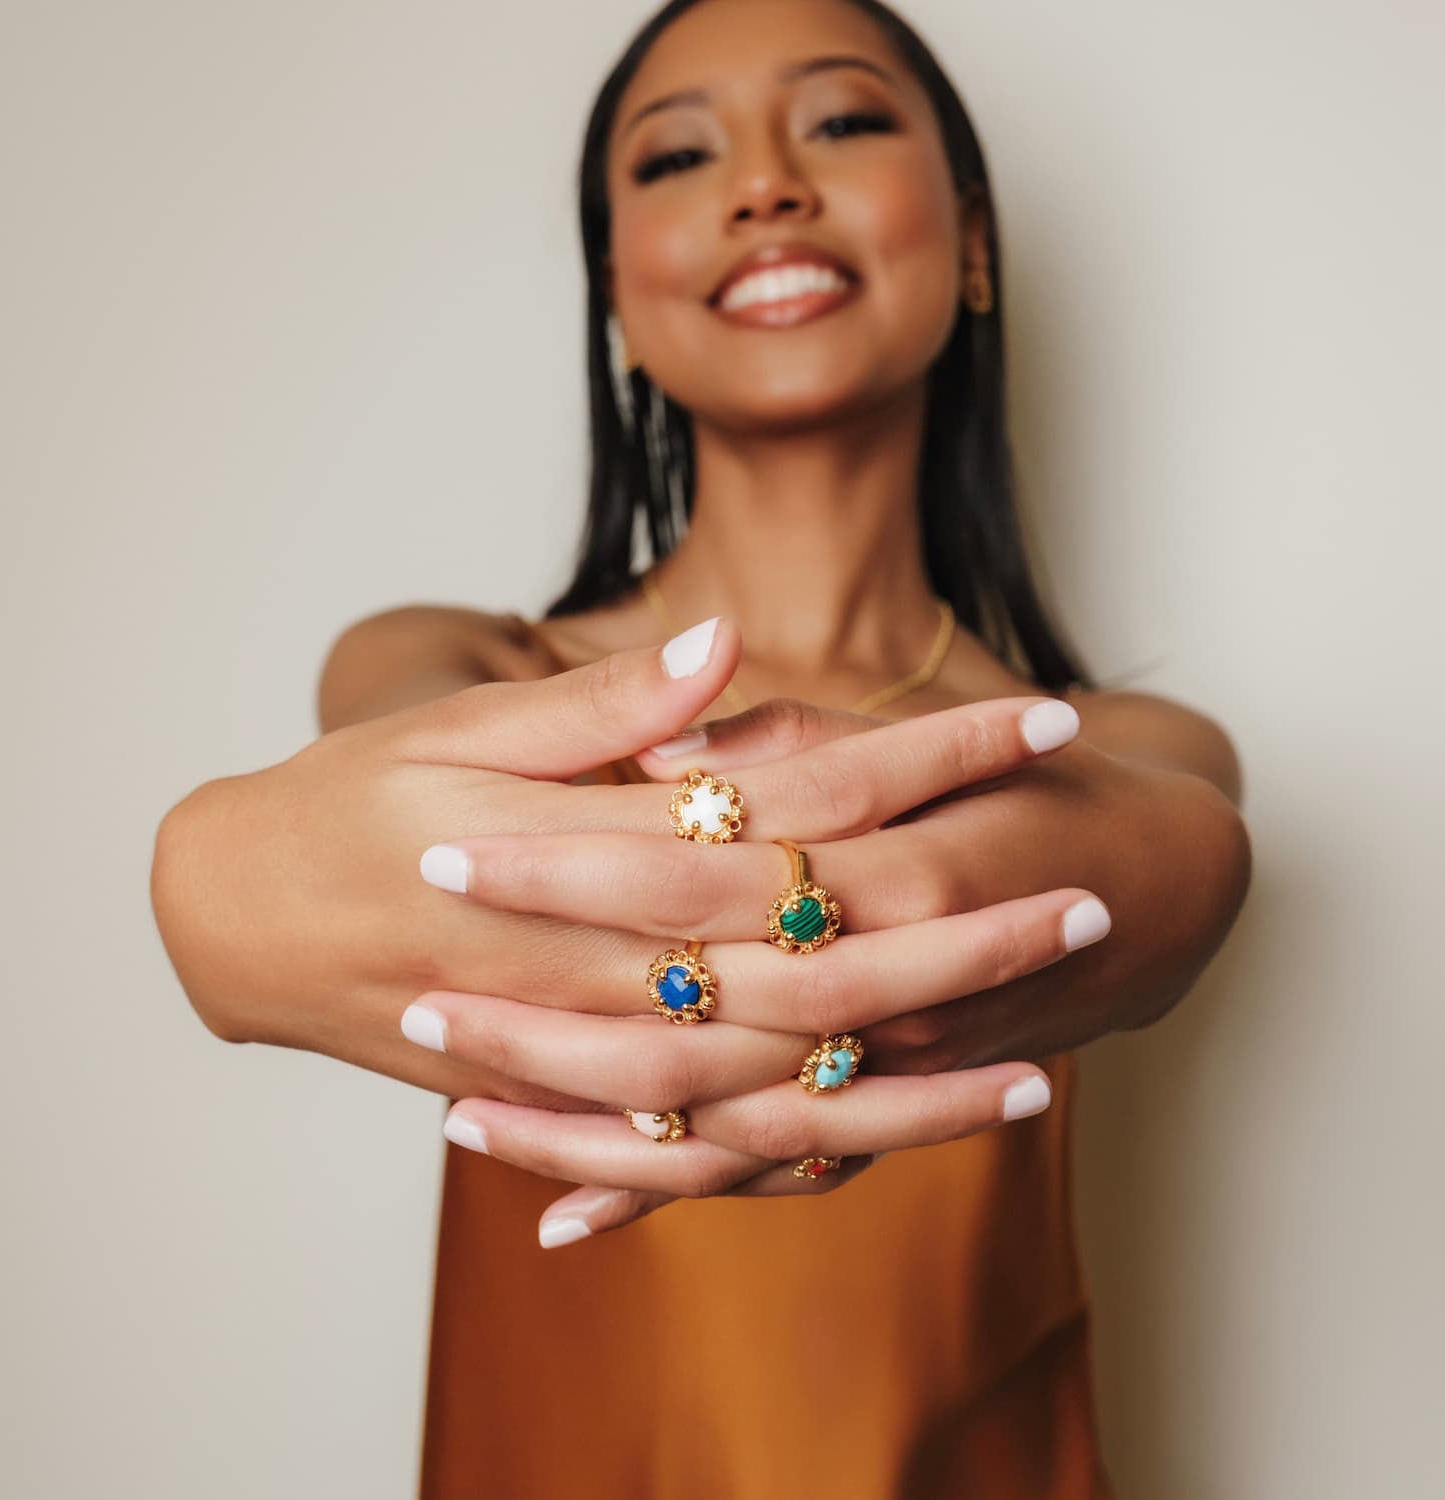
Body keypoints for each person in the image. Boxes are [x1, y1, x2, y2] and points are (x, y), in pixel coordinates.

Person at [150, 0, 1252, 1494]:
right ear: (617, 288)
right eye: (679, 158)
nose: (766, 185)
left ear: (975, 243)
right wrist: (206, 876)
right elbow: (290, 864)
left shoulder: (1112, 748)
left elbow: (1193, 857)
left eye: (843, 122)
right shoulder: (451, 671)